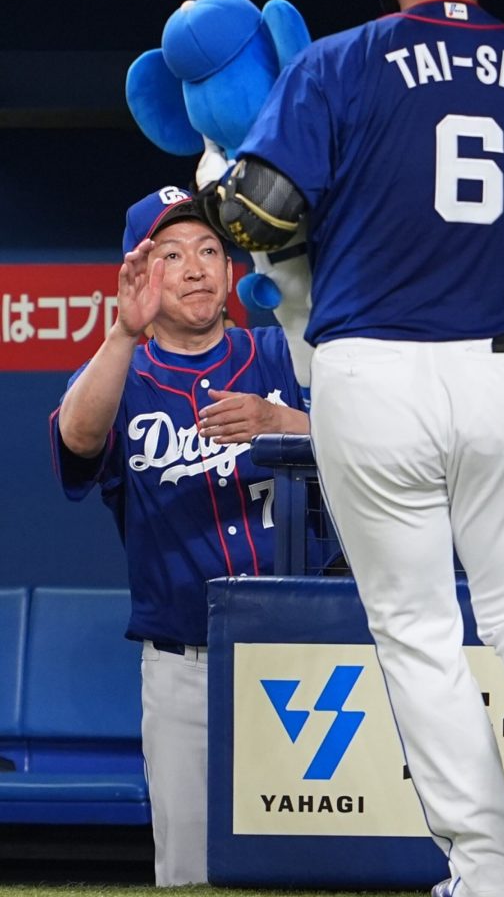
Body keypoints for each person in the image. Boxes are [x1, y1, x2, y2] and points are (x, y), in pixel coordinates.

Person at [210, 0, 504, 888]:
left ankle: (487, 868)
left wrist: (227, 175)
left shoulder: (335, 62)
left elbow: (257, 212)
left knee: (418, 630)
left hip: (374, 371)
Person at [49, 185, 309, 886]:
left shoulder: (280, 355)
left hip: (306, 658)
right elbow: (77, 440)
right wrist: (120, 334)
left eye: (209, 250)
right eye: (170, 255)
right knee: (190, 875)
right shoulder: (120, 378)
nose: (195, 268)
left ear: (229, 268)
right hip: (185, 665)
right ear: (138, 274)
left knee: (312, 863)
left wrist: (284, 424)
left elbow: (378, 447)